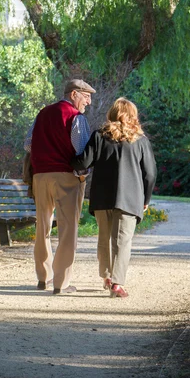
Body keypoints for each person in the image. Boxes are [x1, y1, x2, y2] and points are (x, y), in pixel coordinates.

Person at [71, 97, 156, 298]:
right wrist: (146, 198)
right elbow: (150, 174)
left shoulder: (99, 136)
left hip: (102, 197)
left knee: (104, 238)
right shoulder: (140, 140)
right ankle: (117, 283)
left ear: (112, 114)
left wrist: (65, 156)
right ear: (133, 116)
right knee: (122, 241)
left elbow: (83, 162)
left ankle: (107, 277)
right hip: (130, 198)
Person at [24, 79, 96, 294]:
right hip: (66, 176)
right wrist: (83, 176)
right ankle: (61, 283)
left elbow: (28, 144)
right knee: (67, 229)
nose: (89, 102)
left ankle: (42, 277)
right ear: (74, 94)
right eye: (86, 96)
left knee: (42, 227)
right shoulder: (75, 117)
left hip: (40, 176)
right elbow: (81, 151)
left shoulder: (43, 113)